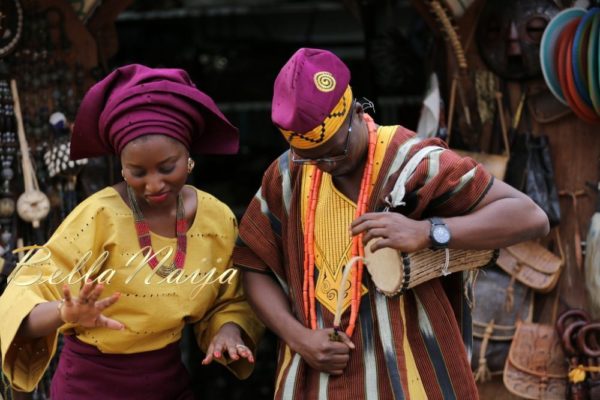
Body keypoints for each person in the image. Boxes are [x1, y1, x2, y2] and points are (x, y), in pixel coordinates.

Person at [233, 48, 550, 399]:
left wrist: (428, 232)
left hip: (411, 378)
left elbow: (530, 216)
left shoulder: (414, 164)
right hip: (315, 382)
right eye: (311, 158)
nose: (325, 165)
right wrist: (298, 338)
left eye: (334, 152)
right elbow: (253, 263)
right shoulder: (287, 176)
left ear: (357, 111)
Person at [0, 64, 263, 399]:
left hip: (169, 385)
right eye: (137, 172)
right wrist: (65, 312)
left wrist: (229, 330)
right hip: (89, 388)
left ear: (189, 156)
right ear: (121, 166)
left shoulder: (216, 219)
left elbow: (230, 298)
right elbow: (20, 305)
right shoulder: (97, 217)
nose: (154, 184)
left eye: (168, 168)